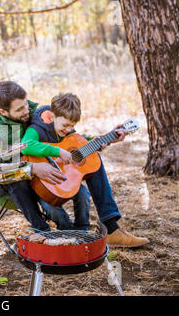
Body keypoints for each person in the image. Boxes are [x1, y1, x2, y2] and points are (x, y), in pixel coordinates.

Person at [21, 91, 149, 248]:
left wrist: (105, 139)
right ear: (52, 116)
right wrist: (58, 152)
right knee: (88, 169)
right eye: (65, 125)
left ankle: (110, 227)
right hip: (42, 180)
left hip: (62, 177)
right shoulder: (37, 127)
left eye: (72, 126)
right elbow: (26, 145)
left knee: (93, 160)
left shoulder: (66, 127)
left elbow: (74, 139)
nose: (68, 129)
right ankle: (98, 230)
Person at [0, 81, 67, 232]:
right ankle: (43, 231)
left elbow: (59, 135)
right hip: (3, 183)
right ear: (3, 112)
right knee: (17, 182)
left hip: (35, 172)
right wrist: (32, 169)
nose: (27, 111)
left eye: (26, 104)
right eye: (19, 109)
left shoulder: (31, 113)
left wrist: (90, 139)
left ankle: (69, 229)